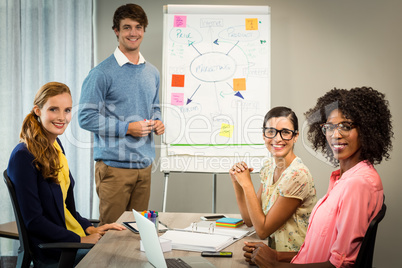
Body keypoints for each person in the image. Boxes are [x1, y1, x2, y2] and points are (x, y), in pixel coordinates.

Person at [243, 87, 393, 268]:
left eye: (346, 126)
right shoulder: (342, 178)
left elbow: (339, 266)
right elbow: (314, 250)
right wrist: (275, 256)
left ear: (367, 129)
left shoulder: (358, 184)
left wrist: (275, 265)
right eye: (329, 127)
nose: (335, 135)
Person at [7, 82, 126, 267]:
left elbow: (65, 207)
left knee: (122, 245)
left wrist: (90, 228)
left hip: (70, 239)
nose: (62, 117)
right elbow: (34, 221)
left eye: (67, 110)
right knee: (119, 258)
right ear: (37, 110)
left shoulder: (56, 146)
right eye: (54, 109)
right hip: (56, 249)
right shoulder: (23, 156)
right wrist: (80, 240)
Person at [78, 3, 165, 225]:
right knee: (110, 238)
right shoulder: (101, 73)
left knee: (138, 236)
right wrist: (127, 128)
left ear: (144, 30)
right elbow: (85, 117)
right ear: (116, 30)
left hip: (144, 168)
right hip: (114, 169)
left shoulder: (152, 72)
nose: (133, 33)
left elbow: (154, 107)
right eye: (126, 27)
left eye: (138, 27)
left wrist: (158, 121)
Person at [229, 106, 317, 252]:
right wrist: (237, 182)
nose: (277, 138)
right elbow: (250, 220)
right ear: (264, 135)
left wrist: (247, 184)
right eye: (271, 132)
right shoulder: (269, 166)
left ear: (295, 136)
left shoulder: (297, 175)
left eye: (285, 132)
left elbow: (263, 230)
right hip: (272, 256)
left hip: (293, 260)